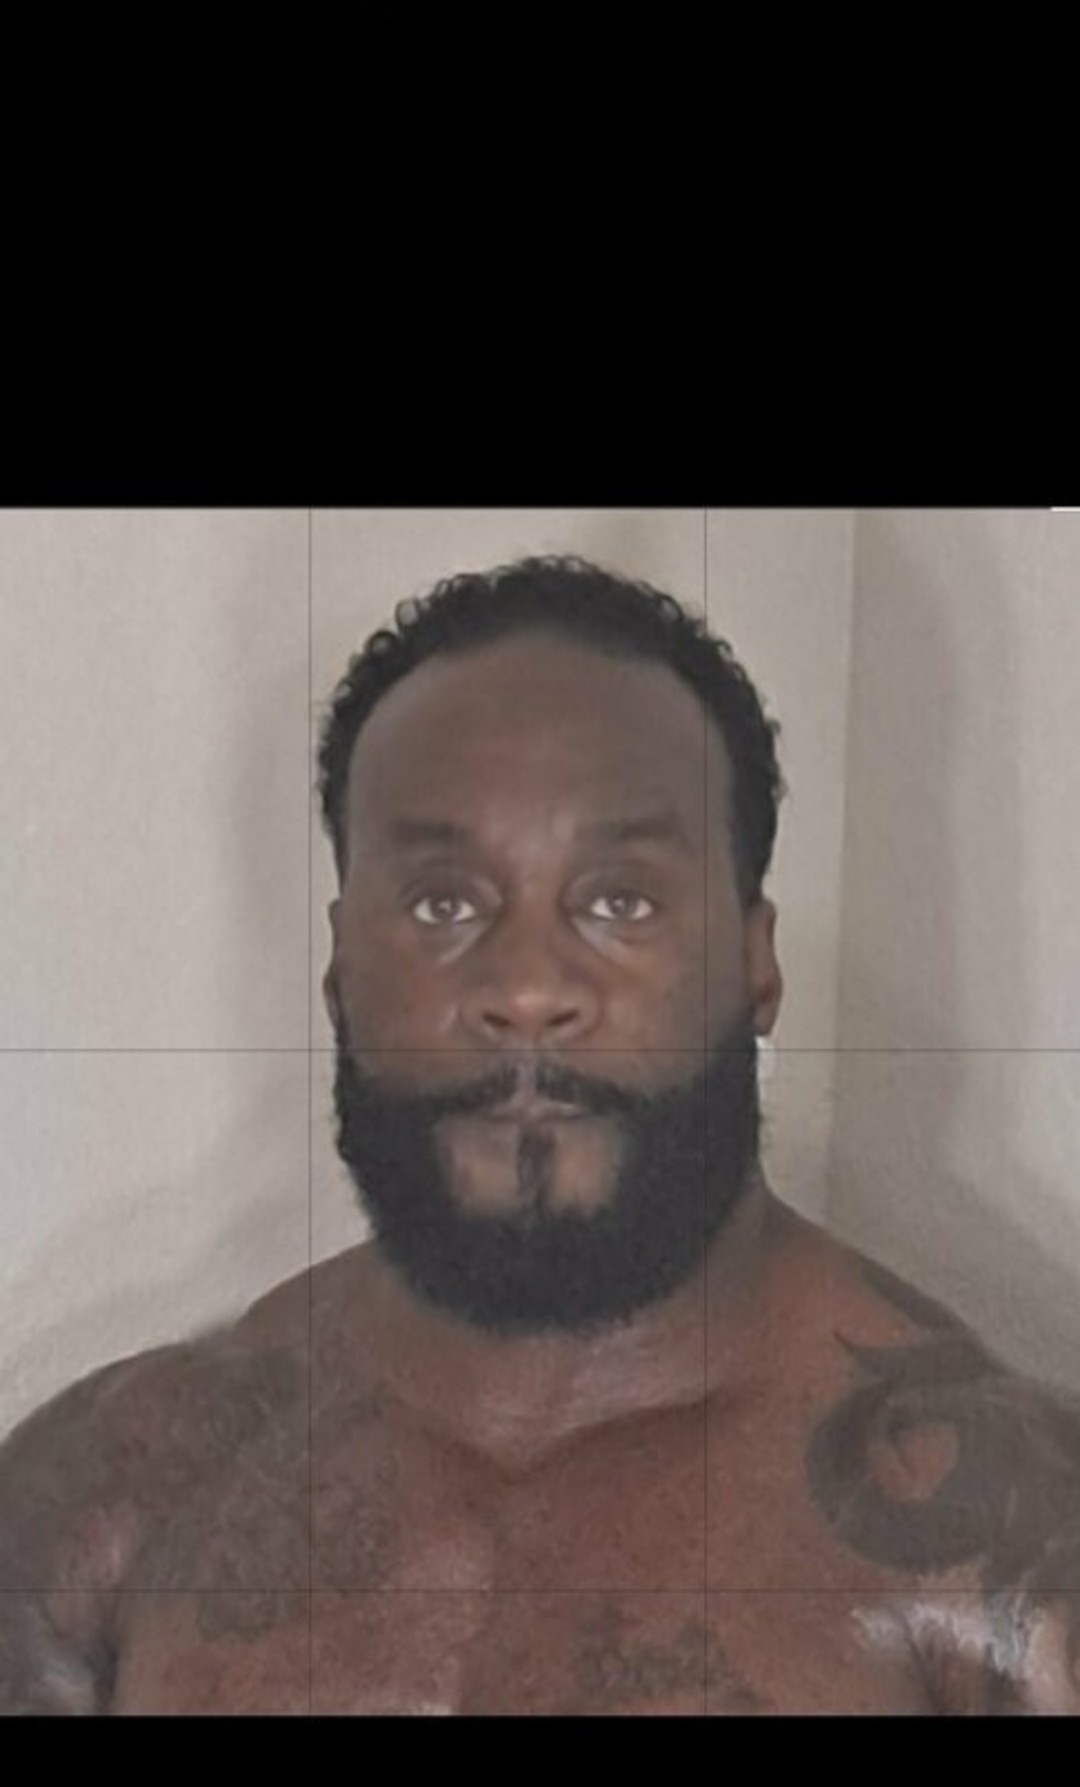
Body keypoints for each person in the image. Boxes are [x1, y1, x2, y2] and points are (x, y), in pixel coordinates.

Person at [3, 555, 1079, 1715]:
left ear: (755, 962)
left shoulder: (1001, 1542)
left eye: (619, 900)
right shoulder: (112, 1505)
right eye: (443, 903)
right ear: (342, 967)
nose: (523, 989)